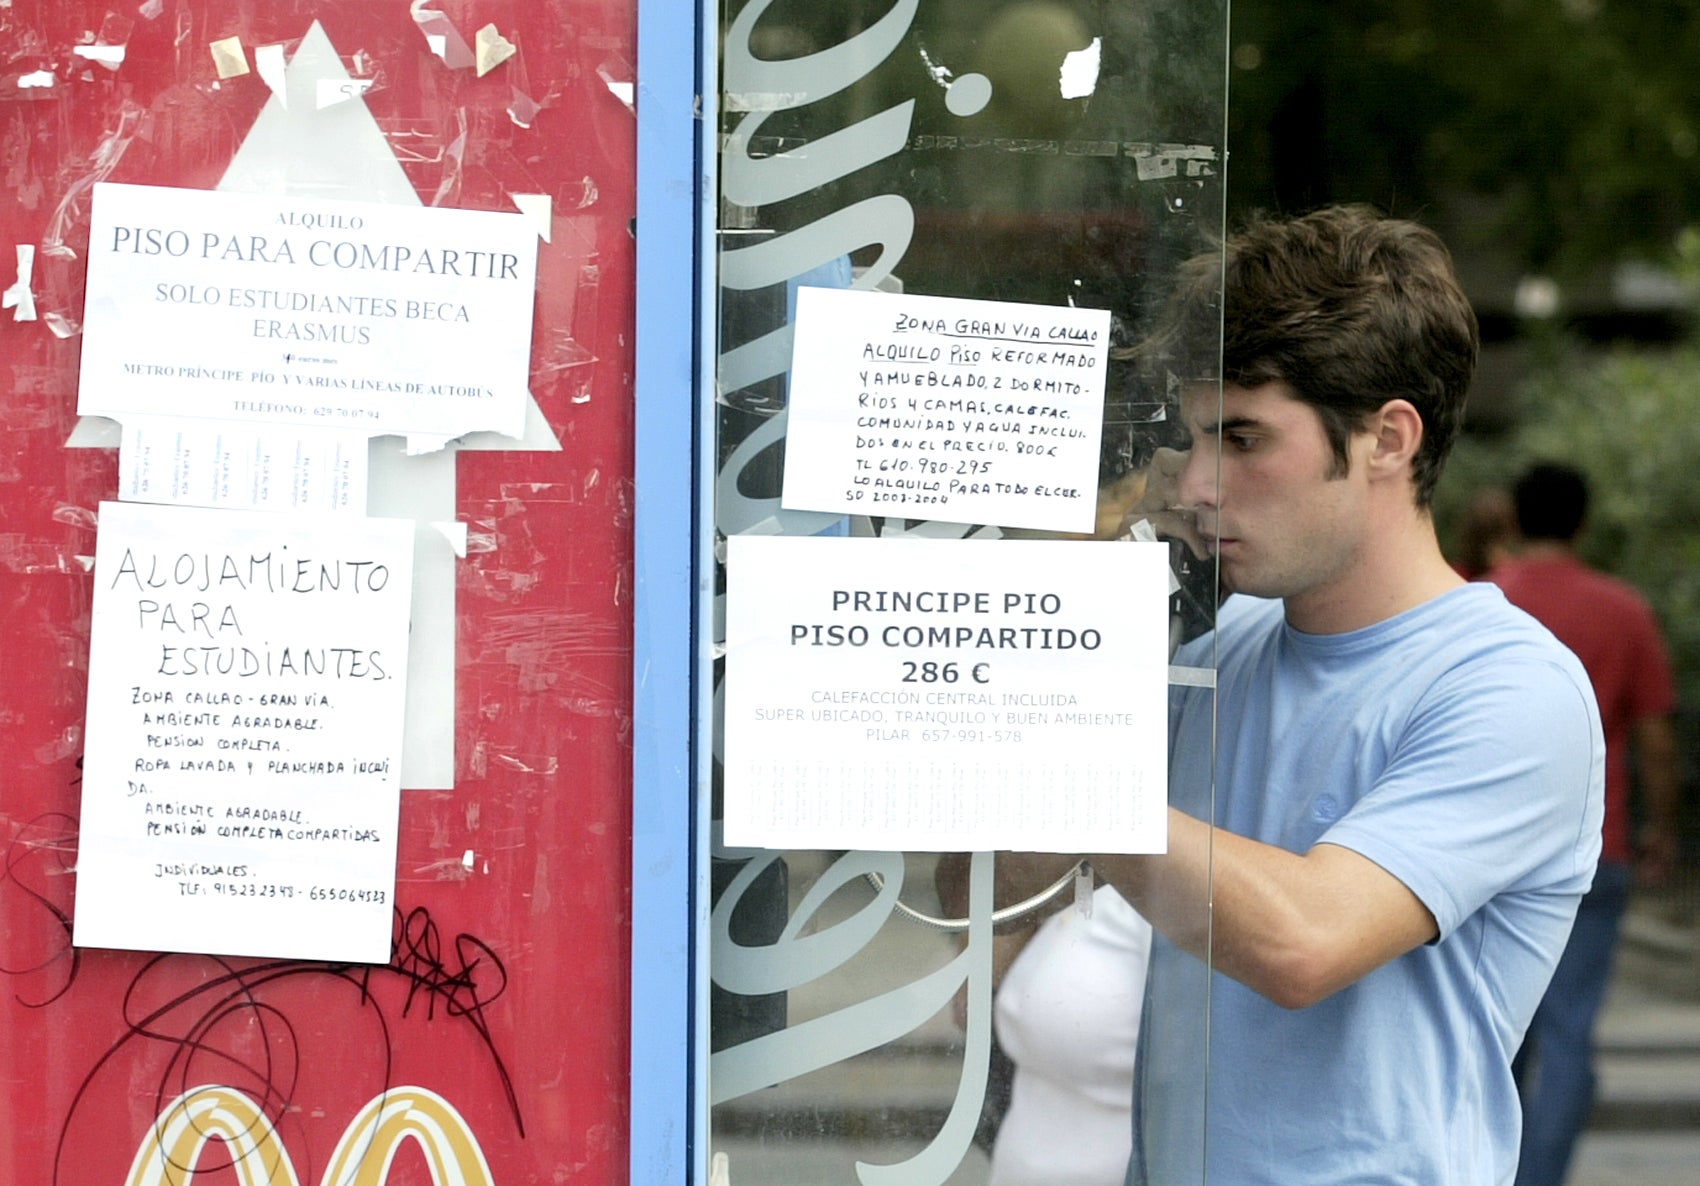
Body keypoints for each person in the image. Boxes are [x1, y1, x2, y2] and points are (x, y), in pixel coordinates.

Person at [992, 205, 1603, 1183]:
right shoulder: (1215, 644)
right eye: (1189, 440)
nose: (1194, 482)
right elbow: (984, 890)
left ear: (1386, 440)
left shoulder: (1508, 686)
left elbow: (1302, 943)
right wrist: (1056, 630)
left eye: (1239, 439)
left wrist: (1065, 770)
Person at [1488, 461, 1679, 1186]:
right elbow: (1655, 736)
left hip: (1491, 857)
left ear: (1513, 518)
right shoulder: (1624, 610)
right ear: (1583, 523)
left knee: (1498, 1030)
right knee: (1569, 1033)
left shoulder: (1481, 601)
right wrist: (1660, 825)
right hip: (1598, 847)